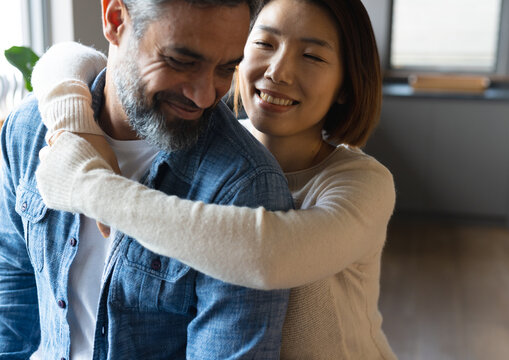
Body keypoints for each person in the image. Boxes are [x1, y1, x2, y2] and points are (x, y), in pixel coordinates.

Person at [35, 0, 397, 358]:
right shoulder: (204, 139)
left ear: (346, 85)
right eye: (264, 44)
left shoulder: (363, 185)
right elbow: (70, 60)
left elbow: (266, 256)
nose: (278, 71)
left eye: (313, 56)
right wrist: (75, 126)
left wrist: (89, 186)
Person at [0, 0, 294, 359]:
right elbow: (13, 286)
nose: (204, 96)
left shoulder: (244, 189)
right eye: (181, 61)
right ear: (115, 20)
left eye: (225, 68)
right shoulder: (30, 130)